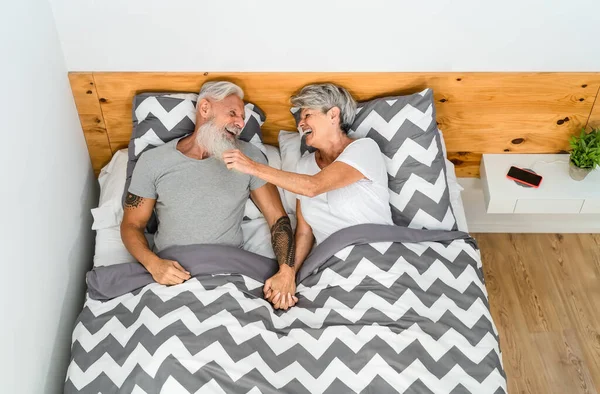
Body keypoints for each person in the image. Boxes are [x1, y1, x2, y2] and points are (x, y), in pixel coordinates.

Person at [121, 81, 297, 310]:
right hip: (171, 274)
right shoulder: (153, 161)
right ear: (205, 109)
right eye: (232, 113)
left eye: (242, 118)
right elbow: (132, 224)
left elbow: (278, 219)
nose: (240, 123)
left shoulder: (249, 157)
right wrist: (153, 264)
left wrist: (286, 272)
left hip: (230, 270)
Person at [223, 83, 393, 308]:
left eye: (308, 115)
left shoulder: (363, 150)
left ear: (333, 115)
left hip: (376, 257)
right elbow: (304, 232)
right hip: (330, 264)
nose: (301, 124)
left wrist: (252, 167)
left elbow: (313, 186)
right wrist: (288, 275)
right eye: (301, 117)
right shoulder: (304, 165)